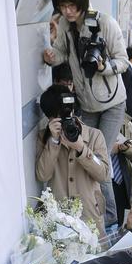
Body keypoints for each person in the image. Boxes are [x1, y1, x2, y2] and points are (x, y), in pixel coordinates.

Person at [43, 0, 129, 228]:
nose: (68, 11)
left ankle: (109, 218)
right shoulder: (66, 26)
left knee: (100, 160)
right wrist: (50, 56)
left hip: (113, 105)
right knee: (84, 155)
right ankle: (91, 215)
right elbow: (61, 54)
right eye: (62, 6)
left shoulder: (105, 23)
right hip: (87, 106)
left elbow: (123, 61)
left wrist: (104, 67)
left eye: (71, 5)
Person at [35, 84, 110, 235]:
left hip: (90, 215)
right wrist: (53, 141)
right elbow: (42, 175)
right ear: (50, 118)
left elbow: (104, 174)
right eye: (58, 118)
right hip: (60, 219)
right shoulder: (44, 138)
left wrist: (81, 148)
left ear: (72, 110)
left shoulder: (94, 135)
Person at [109, 113, 132, 224]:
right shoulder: (90, 121)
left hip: (120, 178)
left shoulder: (125, 122)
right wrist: (107, 149)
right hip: (101, 177)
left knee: (119, 216)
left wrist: (127, 148)